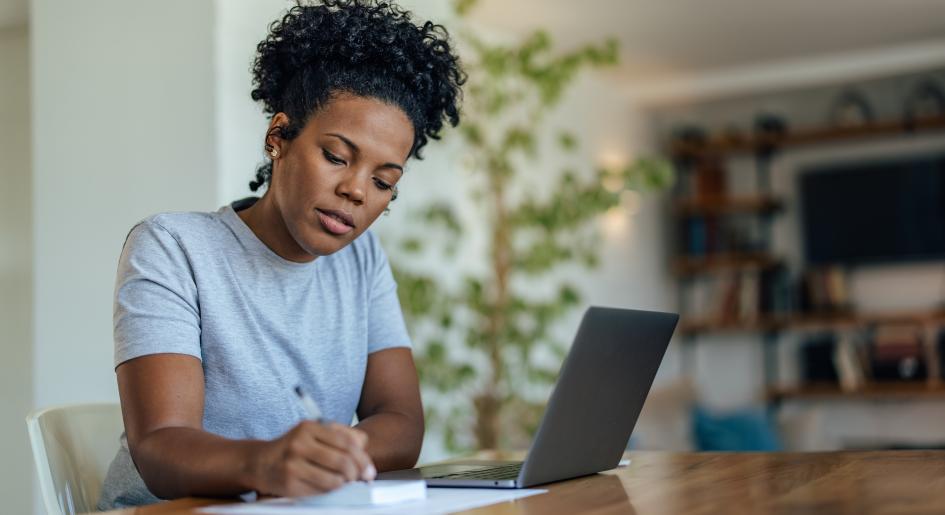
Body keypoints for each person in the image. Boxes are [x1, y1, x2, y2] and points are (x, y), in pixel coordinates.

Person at [97, 0, 464, 509]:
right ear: (278, 137)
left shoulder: (361, 262)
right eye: (336, 156)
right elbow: (160, 446)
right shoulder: (172, 247)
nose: (358, 192)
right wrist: (269, 462)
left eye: (384, 182)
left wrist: (330, 457)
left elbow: (402, 423)